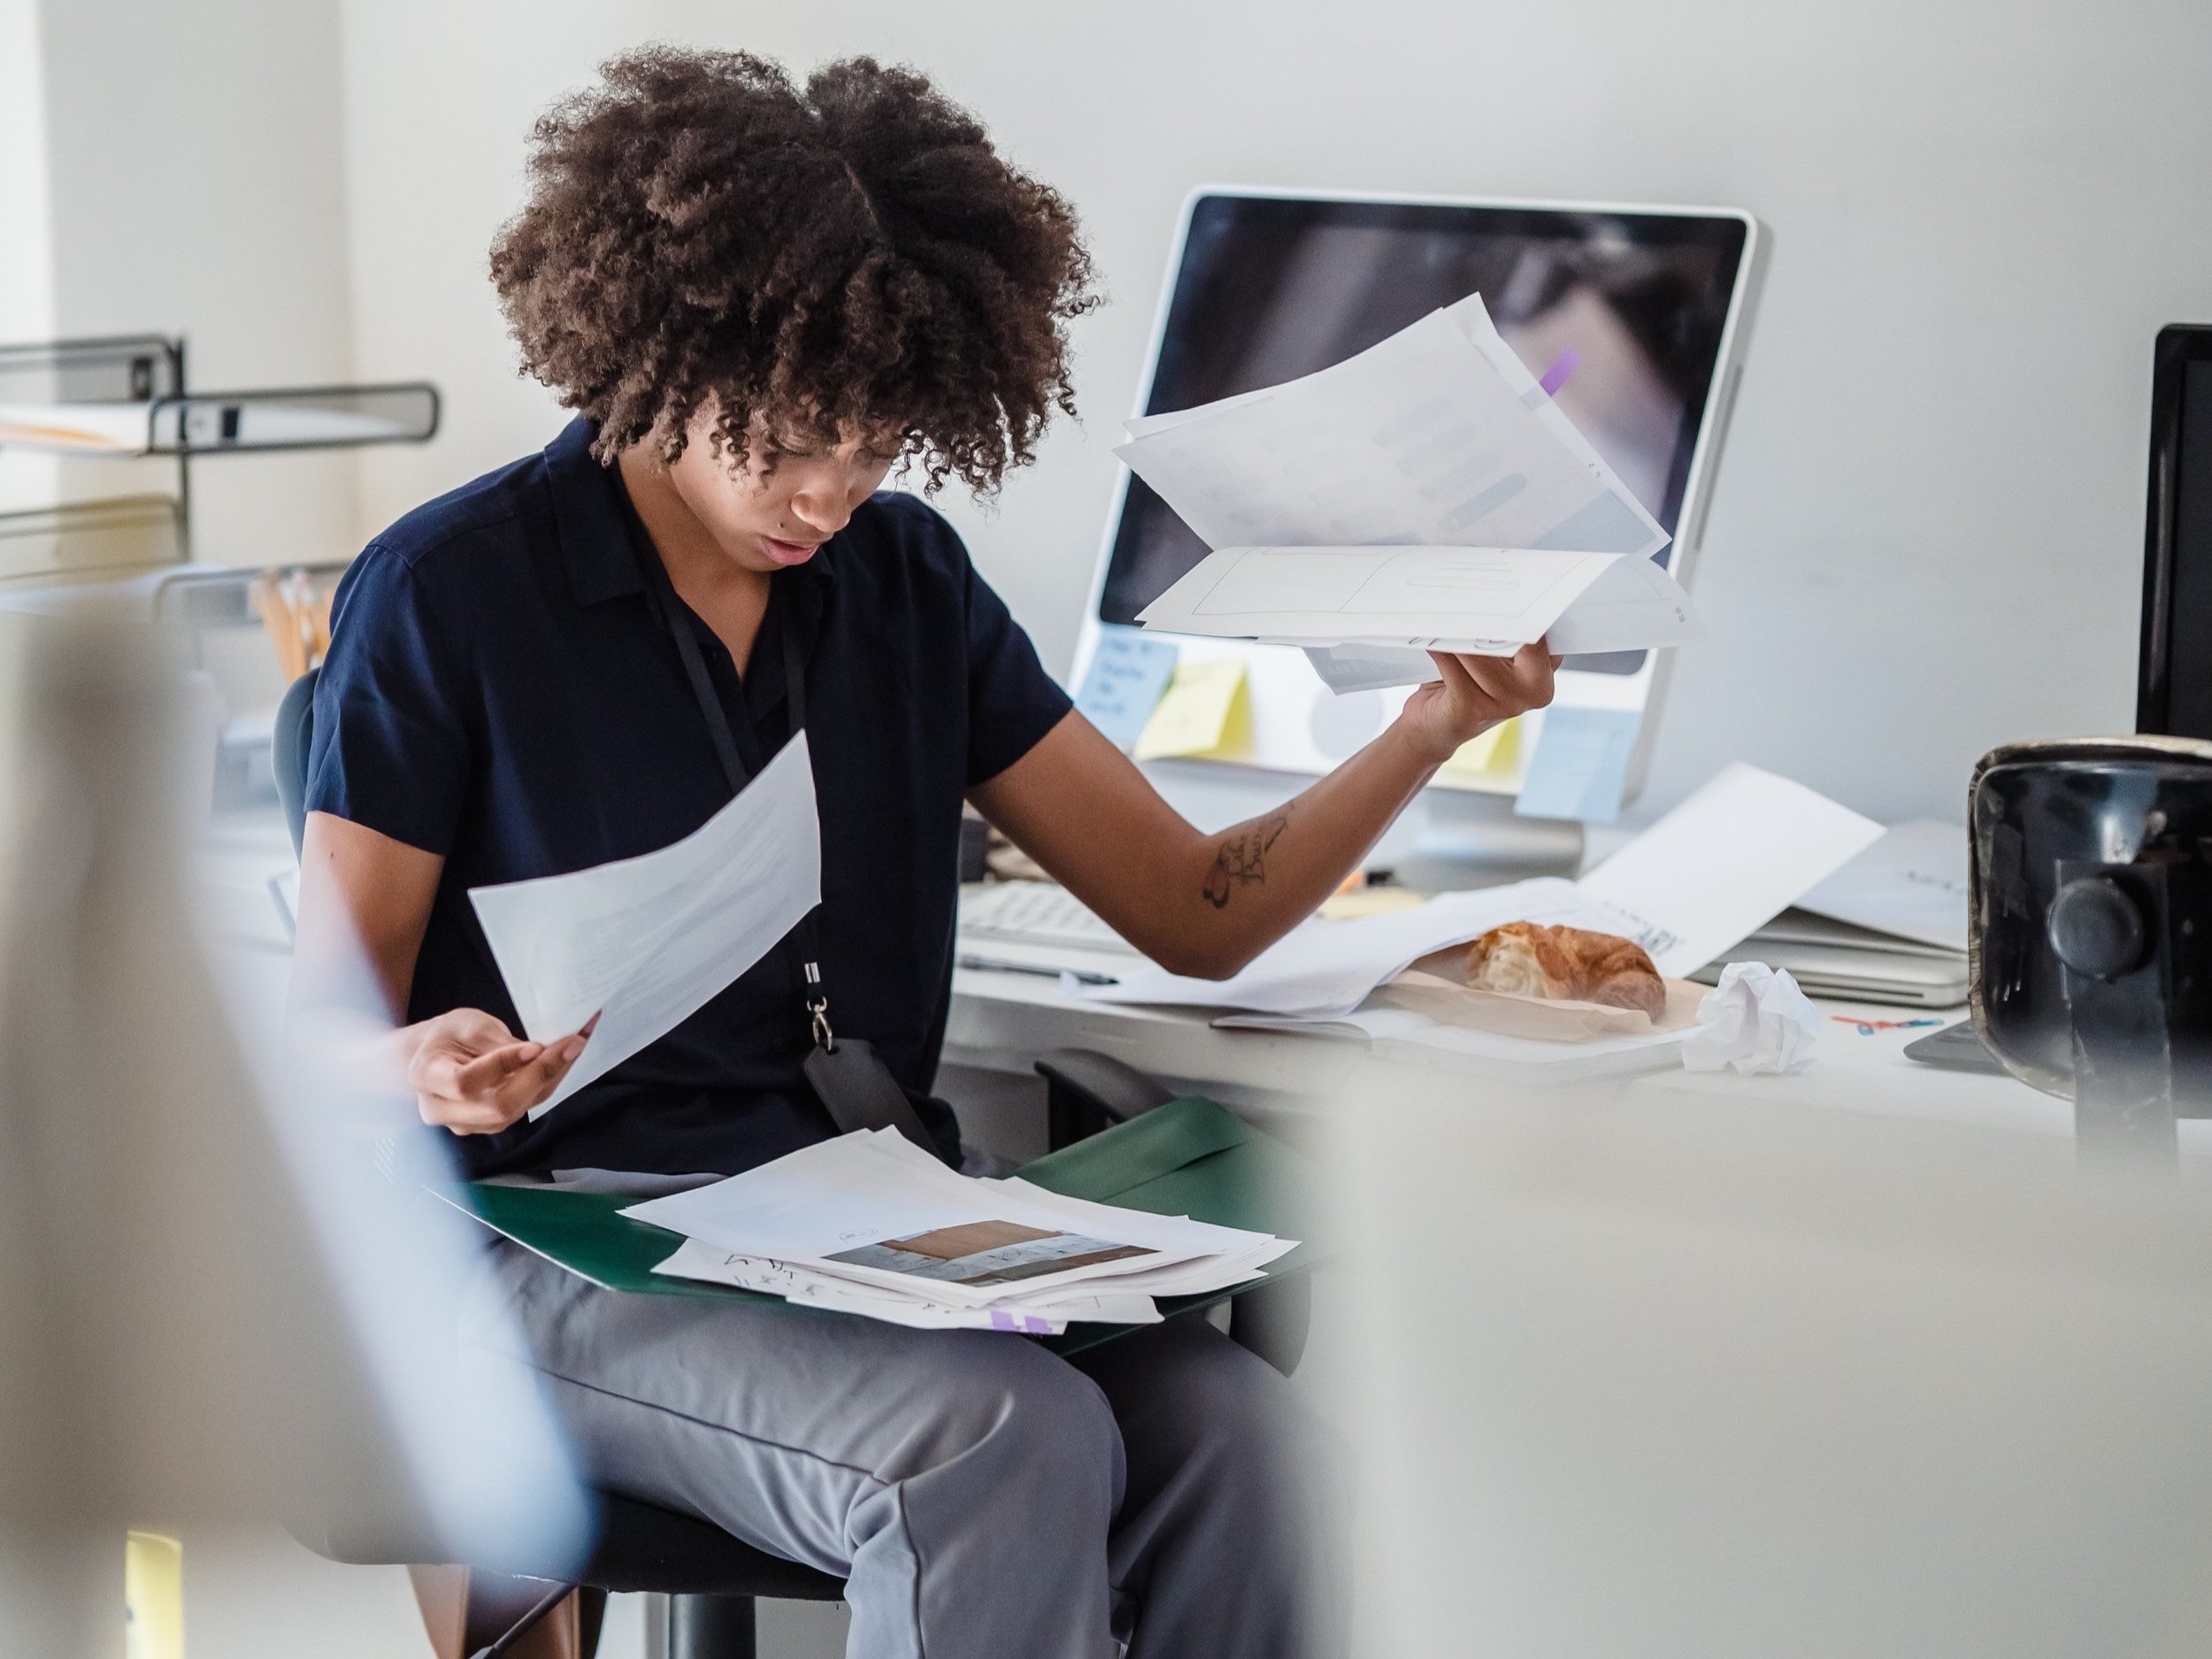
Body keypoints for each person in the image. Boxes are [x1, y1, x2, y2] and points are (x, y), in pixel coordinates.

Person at [292, 47, 1558, 1659]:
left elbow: (1192, 911)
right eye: (788, 439)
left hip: (859, 1234)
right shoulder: (454, 593)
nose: (829, 491)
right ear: (667, 353)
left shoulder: (902, 585)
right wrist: (425, 1064)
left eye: (879, 443)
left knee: (1254, 1446)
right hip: (541, 1244)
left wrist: (1429, 728)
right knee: (996, 1440)